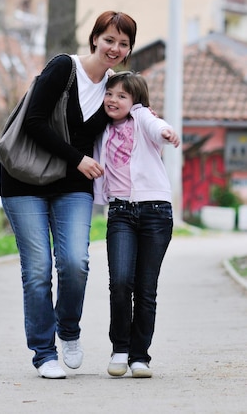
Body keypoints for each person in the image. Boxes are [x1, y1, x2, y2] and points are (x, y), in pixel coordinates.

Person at [0, 11, 137, 379]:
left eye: (123, 43)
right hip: (23, 180)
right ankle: (44, 353)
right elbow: (33, 122)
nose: (115, 48)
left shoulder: (115, 88)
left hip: (73, 185)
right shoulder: (64, 68)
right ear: (95, 39)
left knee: (75, 262)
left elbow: (135, 117)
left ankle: (69, 330)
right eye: (109, 39)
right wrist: (78, 159)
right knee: (38, 269)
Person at [93, 71, 180, 379]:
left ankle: (139, 357)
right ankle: (120, 348)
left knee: (145, 288)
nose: (113, 100)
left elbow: (156, 127)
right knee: (119, 282)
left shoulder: (142, 119)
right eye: (110, 94)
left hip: (155, 211)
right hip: (120, 213)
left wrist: (166, 131)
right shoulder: (101, 128)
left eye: (122, 96)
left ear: (135, 101)